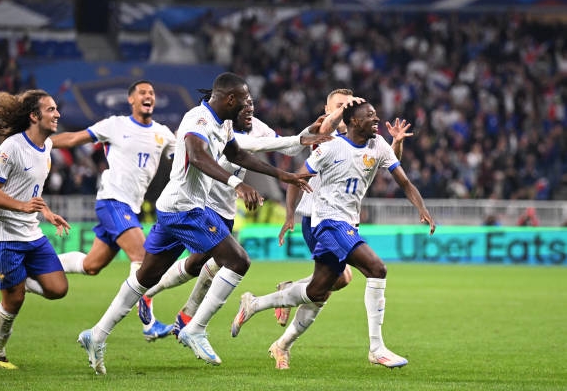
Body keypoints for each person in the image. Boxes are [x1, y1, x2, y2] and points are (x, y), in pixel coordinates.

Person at [76, 72, 314, 374]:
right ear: (230, 100)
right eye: (244, 101)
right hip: (186, 209)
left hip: (172, 207)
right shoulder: (198, 120)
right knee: (238, 261)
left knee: (145, 278)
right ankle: (195, 327)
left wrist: (282, 175)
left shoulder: (222, 124)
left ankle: (96, 334)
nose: (247, 108)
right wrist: (236, 185)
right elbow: (197, 155)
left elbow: (237, 154)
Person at [231, 99, 436, 370]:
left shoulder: (378, 145)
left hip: (349, 223)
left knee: (318, 290)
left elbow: (404, 181)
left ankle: (255, 304)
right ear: (353, 121)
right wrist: (290, 215)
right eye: (370, 116)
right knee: (377, 268)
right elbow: (298, 178)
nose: (376, 120)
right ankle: (376, 347)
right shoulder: (330, 146)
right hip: (328, 222)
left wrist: (422, 208)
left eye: (376, 116)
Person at [136, 89, 335, 335]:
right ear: (230, 107)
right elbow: (249, 147)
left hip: (226, 208)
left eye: (251, 106)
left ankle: (176, 310)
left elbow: (287, 149)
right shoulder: (218, 127)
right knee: (203, 262)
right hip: (201, 204)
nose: (248, 111)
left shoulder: (258, 127)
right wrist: (296, 139)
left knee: (209, 266)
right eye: (243, 107)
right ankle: (168, 306)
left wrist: (306, 134)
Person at [269, 91, 413, 369]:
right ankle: (285, 329)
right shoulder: (326, 136)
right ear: (329, 110)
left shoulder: (363, 139)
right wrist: (343, 109)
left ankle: (287, 306)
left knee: (329, 284)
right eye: (340, 105)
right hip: (317, 220)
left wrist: (395, 142)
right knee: (340, 279)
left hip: (343, 221)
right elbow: (325, 128)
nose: (347, 109)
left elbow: (388, 163)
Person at [51, 80, 176, 341]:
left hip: (130, 206)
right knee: (143, 256)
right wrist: (37, 142)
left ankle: (35, 265)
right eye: (142, 92)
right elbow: (74, 138)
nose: (148, 96)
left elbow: (186, 159)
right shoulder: (115, 125)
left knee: (91, 264)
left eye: (152, 92)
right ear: (131, 99)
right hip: (112, 200)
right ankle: (148, 323)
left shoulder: (164, 134)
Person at [0, 89, 72, 369]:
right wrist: (21, 206)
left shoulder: (48, 146)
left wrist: (47, 212)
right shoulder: (11, 147)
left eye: (56, 109)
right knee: (14, 298)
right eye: (51, 110)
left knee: (58, 288)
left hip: (30, 231)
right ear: (33, 115)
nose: (57, 114)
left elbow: (33, 191)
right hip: (0, 233)